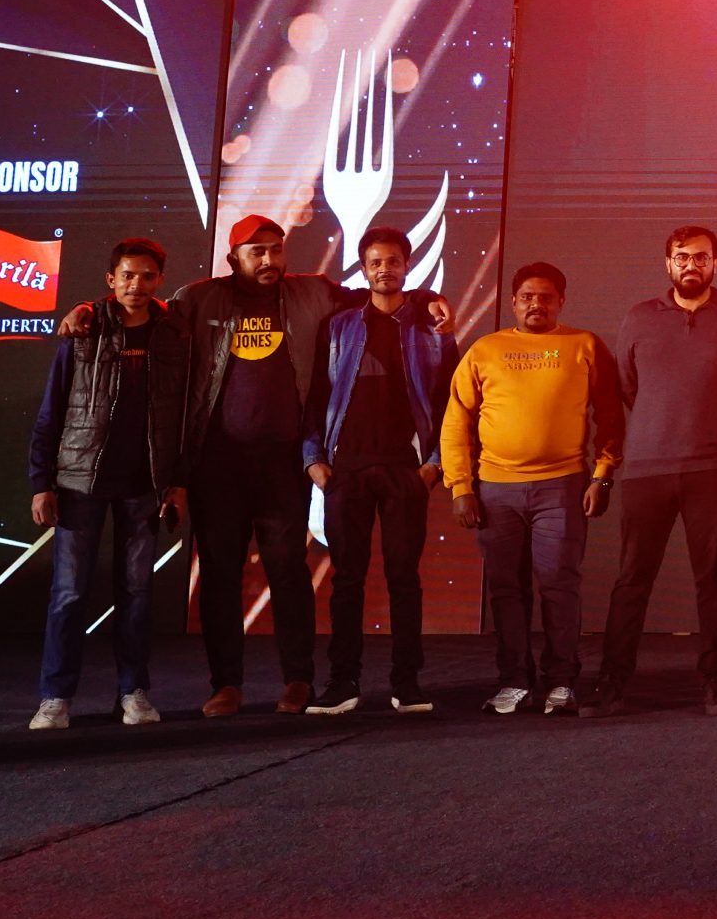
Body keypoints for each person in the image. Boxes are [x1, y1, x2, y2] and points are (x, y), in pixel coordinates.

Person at [58, 215, 449, 718]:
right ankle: (226, 684)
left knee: (288, 571)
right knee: (221, 573)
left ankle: (298, 680)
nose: (269, 259)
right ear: (233, 257)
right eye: (257, 251)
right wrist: (90, 308)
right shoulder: (199, 298)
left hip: (283, 462)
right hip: (217, 463)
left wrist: (428, 298)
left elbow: (379, 294)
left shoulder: (312, 292)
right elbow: (140, 307)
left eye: (276, 250)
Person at [588, 225, 717, 719]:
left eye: (701, 257)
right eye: (682, 257)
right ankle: (612, 682)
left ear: (716, 263)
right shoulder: (639, 317)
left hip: (714, 464)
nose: (692, 265)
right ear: (668, 263)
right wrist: (662, 422)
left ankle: (716, 680)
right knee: (633, 577)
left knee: (712, 575)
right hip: (648, 467)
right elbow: (629, 387)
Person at [442, 262, 620, 716]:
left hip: (562, 486)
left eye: (545, 297)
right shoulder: (486, 350)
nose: (535, 304)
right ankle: (514, 681)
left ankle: (561, 681)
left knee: (559, 584)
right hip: (495, 490)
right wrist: (460, 486)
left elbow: (611, 415)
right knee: (506, 589)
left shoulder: (584, 345)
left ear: (561, 301)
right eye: (527, 297)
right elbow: (456, 420)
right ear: (514, 302)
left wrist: (602, 475)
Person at [28, 238, 187, 731]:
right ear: (110, 280)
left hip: (145, 484)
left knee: (137, 593)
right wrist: (41, 482)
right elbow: (52, 410)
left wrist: (176, 482)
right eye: (127, 275)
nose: (136, 284)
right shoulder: (84, 329)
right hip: (80, 482)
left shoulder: (175, 334)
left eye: (147, 276)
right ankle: (55, 698)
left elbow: (185, 416)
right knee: (69, 594)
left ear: (160, 280)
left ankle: (133, 692)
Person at [302, 225, 454, 717]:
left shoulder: (432, 329)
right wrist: (314, 460)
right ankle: (341, 682)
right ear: (364, 269)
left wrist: (433, 467)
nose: (384, 269)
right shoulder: (338, 325)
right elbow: (317, 395)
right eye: (375, 262)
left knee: (404, 578)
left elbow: (449, 404)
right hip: (344, 469)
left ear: (406, 266)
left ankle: (407, 683)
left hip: (405, 471)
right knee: (346, 580)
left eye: (393, 261)